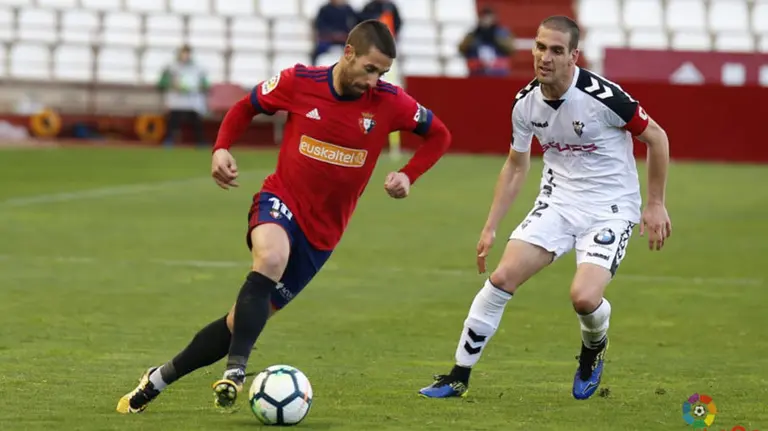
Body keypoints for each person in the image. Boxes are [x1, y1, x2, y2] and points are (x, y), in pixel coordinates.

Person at [116, 19, 452, 414]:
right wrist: (221, 147)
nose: (375, 81)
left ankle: (158, 379)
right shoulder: (298, 81)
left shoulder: (391, 102)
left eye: (382, 73)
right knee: (271, 258)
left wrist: (408, 175)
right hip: (282, 199)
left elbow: (440, 134)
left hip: (322, 236)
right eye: (370, 69)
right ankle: (238, 372)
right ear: (349, 54)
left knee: (237, 324)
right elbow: (247, 106)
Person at [419, 15, 671, 401]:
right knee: (502, 278)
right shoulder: (525, 104)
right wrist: (490, 226)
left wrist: (655, 204)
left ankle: (594, 346)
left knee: (584, 298)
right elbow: (516, 165)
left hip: (610, 208)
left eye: (556, 50)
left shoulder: (603, 97)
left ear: (574, 56)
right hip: (558, 203)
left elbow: (657, 137)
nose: (545, 57)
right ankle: (458, 375)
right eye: (540, 47)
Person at [459, 7, 515, 77]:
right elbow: (462, 49)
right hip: (477, 72)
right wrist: (475, 34)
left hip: (498, 72)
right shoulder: (473, 34)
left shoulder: (502, 33)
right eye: (484, 17)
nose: (486, 20)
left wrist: (496, 38)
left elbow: (511, 49)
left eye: (489, 17)